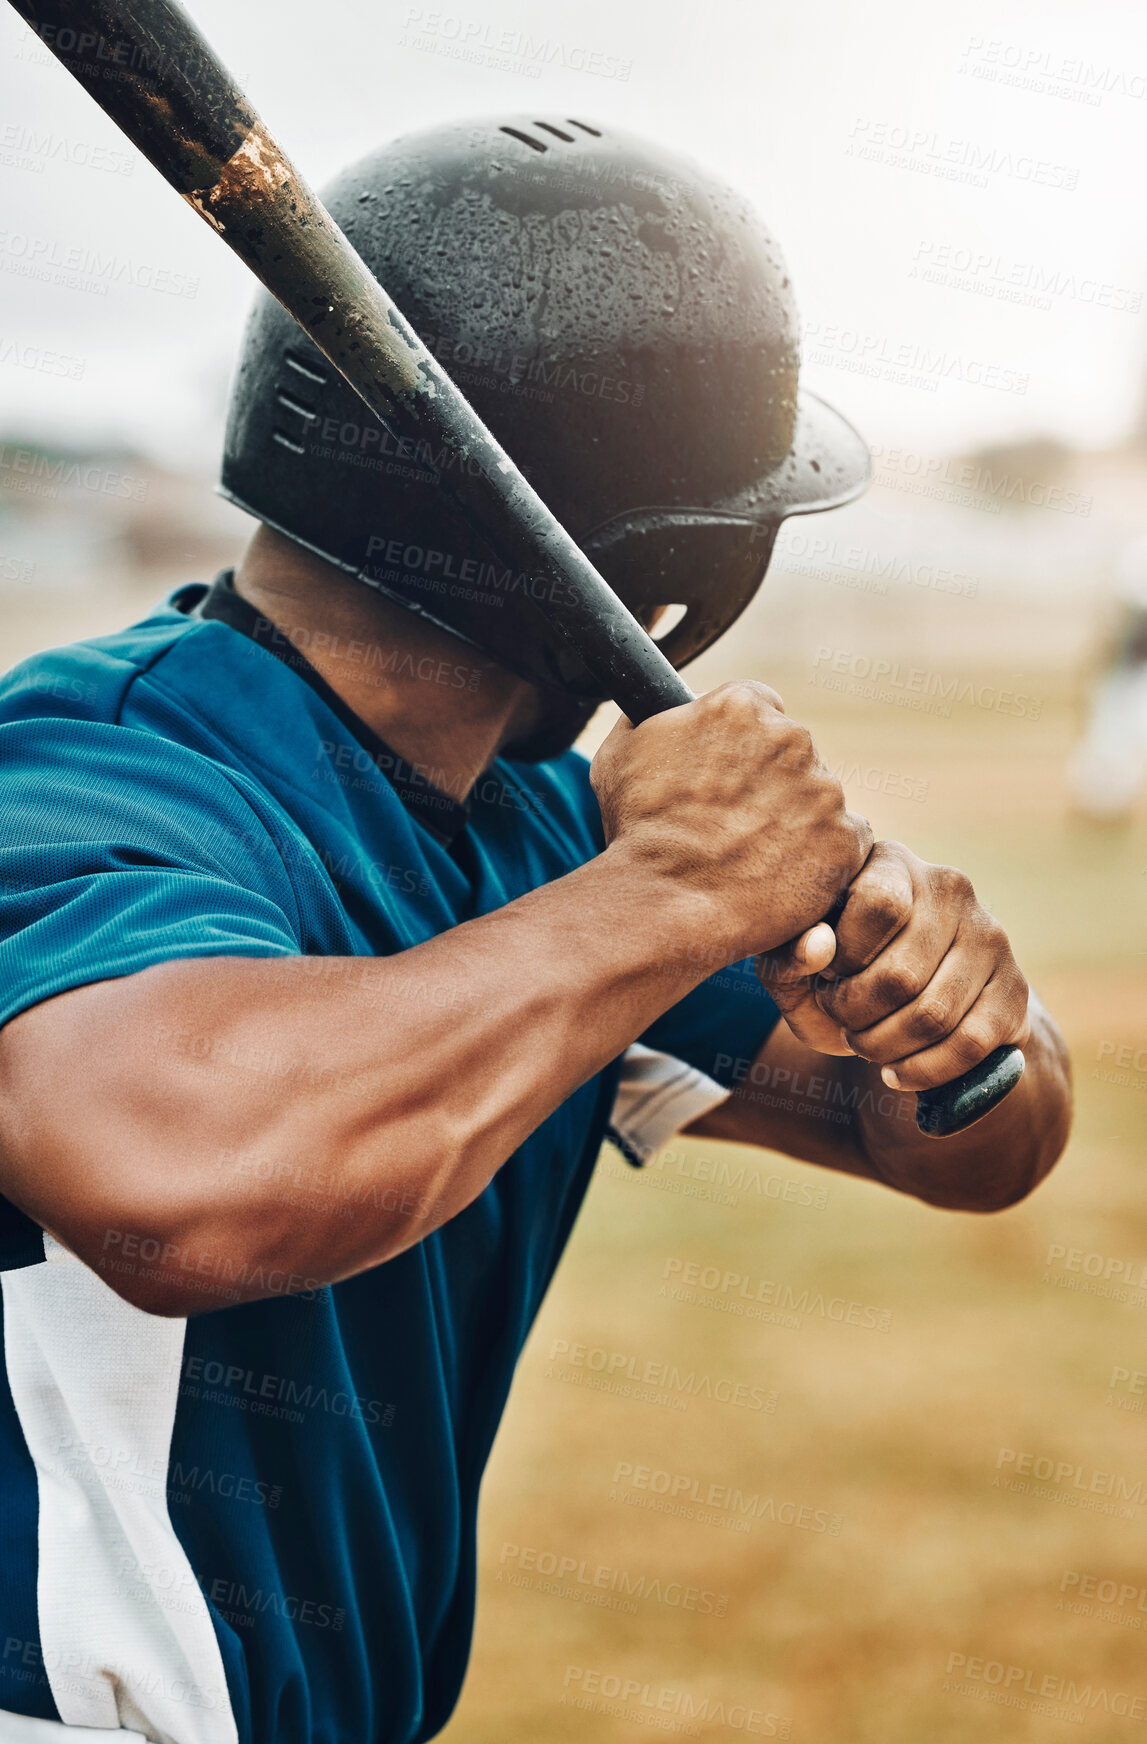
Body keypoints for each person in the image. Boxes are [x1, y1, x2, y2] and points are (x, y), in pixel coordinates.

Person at [0, 118, 1071, 1744]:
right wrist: (678, 892)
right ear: (679, 557)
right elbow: (176, 1182)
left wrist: (967, 1026)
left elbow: (964, 1148)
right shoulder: (85, 771)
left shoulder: (548, 842)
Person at [1068, 532, 1147, 821]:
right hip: (1128, 671)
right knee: (1110, 739)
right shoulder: (1137, 554)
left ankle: (1105, 804)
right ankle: (1101, 804)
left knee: (1116, 738)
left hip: (1132, 673)